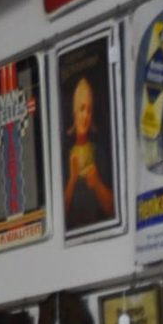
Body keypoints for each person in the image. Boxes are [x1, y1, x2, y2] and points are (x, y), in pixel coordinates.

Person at [62, 76, 115, 231]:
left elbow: (112, 209)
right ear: (74, 112)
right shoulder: (65, 155)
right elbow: (59, 214)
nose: (85, 116)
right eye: (82, 109)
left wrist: (97, 183)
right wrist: (72, 180)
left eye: (89, 110)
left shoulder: (99, 151)